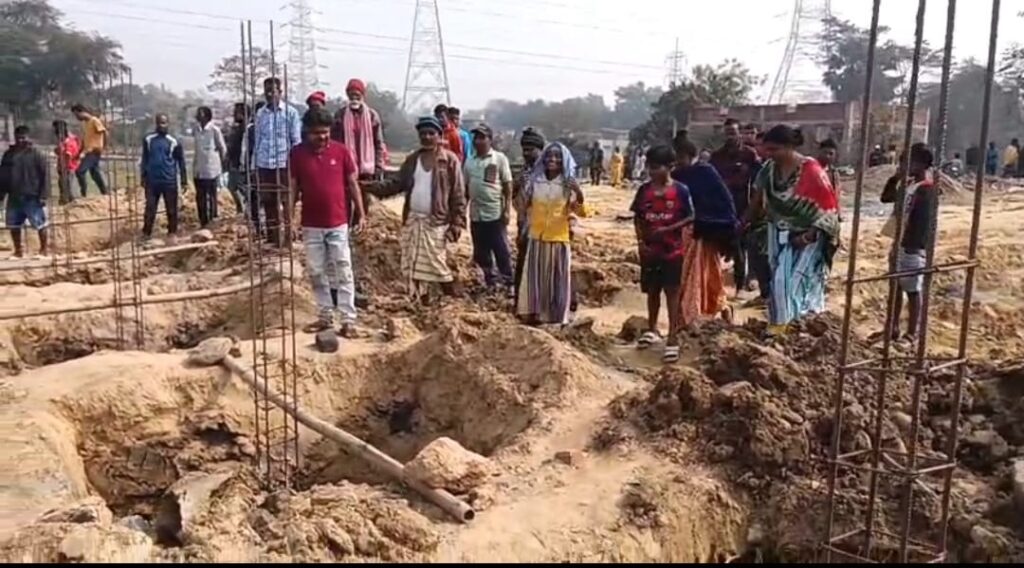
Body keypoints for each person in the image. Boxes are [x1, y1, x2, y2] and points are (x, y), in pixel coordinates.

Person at [750, 125, 839, 335]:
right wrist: (745, 224)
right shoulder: (769, 170)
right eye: (767, 149)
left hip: (809, 236)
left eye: (774, 149)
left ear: (789, 147)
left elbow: (829, 211)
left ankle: (795, 326)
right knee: (778, 281)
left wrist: (807, 236)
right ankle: (783, 325)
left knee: (793, 281)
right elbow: (757, 200)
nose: (769, 154)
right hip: (778, 233)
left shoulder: (812, 171)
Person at [291, 108, 365, 337]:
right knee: (316, 271)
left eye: (325, 132)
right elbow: (292, 188)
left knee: (343, 269)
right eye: (316, 133)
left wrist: (361, 213)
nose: (322, 137)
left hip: (338, 223)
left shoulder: (341, 151)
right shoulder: (297, 154)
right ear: (307, 132)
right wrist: (289, 219)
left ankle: (348, 320)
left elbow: (353, 184)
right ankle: (325, 316)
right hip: (311, 224)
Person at [388, 116, 466, 301]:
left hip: (436, 223)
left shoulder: (449, 160)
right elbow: (396, 184)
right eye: (423, 134)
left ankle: (453, 298)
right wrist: (368, 186)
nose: (427, 137)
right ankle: (421, 301)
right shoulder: (412, 160)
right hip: (413, 221)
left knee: (437, 264)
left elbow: (458, 194)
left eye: (431, 133)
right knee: (413, 264)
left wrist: (457, 223)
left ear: (439, 135)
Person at [631, 145, 692, 363]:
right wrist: (640, 242)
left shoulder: (680, 191)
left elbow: (690, 216)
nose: (652, 171)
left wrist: (668, 229)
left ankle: (672, 337)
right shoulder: (644, 191)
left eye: (657, 167)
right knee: (652, 291)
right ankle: (652, 328)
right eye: (650, 167)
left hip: (672, 251)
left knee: (672, 293)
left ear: (670, 167)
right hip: (650, 251)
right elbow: (637, 217)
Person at [671, 133, 738, 328]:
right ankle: (687, 318)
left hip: (705, 235)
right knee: (683, 279)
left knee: (708, 277)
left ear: (691, 156)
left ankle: (703, 314)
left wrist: (720, 227)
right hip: (683, 236)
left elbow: (724, 203)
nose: (678, 161)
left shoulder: (706, 173)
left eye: (681, 157)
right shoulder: (676, 176)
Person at [877, 143, 937, 345]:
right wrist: (896, 178)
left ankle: (912, 333)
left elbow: (923, 223)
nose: (903, 166)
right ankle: (892, 327)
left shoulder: (926, 189)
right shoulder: (910, 185)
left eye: (907, 162)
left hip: (912, 246)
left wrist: (912, 246)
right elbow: (886, 198)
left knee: (912, 289)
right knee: (896, 287)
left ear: (920, 164)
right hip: (900, 243)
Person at [518, 142, 583, 325]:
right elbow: (522, 206)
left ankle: (556, 317)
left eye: (557, 156)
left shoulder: (568, 184)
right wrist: (521, 188)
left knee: (556, 280)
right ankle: (534, 314)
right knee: (535, 279)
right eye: (549, 156)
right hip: (536, 237)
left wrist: (578, 192)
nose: (552, 159)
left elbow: (580, 211)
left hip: (558, 238)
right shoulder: (535, 182)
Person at [709, 118, 761, 296]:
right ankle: (716, 287)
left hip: (743, 207)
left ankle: (740, 285)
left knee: (741, 246)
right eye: (727, 132)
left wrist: (754, 207)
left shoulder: (749, 155)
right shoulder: (717, 156)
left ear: (739, 133)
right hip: (721, 208)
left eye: (733, 132)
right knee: (719, 247)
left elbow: (759, 181)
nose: (730, 136)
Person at [252, 77, 302, 247]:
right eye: (267, 91)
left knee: (287, 201)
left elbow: (296, 141)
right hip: (265, 164)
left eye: (273, 91)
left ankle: (288, 237)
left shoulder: (290, 113)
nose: (269, 94)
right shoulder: (260, 114)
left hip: (283, 163)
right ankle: (273, 238)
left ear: (280, 92)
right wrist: (254, 165)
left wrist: (295, 166)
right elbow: (258, 140)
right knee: (268, 201)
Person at [464, 123, 514, 290]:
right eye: (476, 138)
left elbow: (507, 185)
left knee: (501, 250)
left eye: (482, 137)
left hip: (495, 214)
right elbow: (465, 188)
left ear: (490, 140)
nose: (478, 141)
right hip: (476, 215)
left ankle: (507, 281)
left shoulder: (499, 159)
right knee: (481, 251)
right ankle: (489, 282)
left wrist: (507, 210)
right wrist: (462, 210)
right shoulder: (469, 162)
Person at [0, 126, 50, 258]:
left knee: (39, 223)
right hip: (13, 196)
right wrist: (1, 193)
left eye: (23, 137)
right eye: (18, 138)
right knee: (13, 225)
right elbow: (3, 175)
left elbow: (45, 175)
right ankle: (18, 251)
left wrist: (43, 195)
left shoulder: (36, 154)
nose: (20, 140)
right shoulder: (8, 155)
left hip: (32, 195)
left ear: (28, 137)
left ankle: (44, 250)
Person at [140, 114, 187, 241]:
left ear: (168, 124)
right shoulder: (148, 139)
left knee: (171, 209)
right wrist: (143, 176)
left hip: (169, 180)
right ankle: (146, 233)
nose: (162, 126)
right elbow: (145, 159)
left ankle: (172, 232)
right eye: (160, 123)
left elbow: (181, 161)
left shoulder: (174, 141)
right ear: (156, 124)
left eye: (164, 123)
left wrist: (184, 181)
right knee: (150, 208)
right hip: (152, 181)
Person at [513, 127, 546, 307]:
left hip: (546, 230)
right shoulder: (523, 173)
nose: (526, 153)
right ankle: (521, 303)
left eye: (530, 150)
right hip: (525, 227)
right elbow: (516, 199)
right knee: (523, 265)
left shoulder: (549, 173)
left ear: (540, 150)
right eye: (524, 150)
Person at [331, 78, 385, 179]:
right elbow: (335, 142)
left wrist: (379, 166)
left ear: (362, 95)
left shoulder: (372, 115)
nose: (354, 98)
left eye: (357, 95)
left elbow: (379, 143)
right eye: (351, 95)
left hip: (368, 171)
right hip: (346, 170)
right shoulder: (340, 115)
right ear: (347, 95)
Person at [193, 106, 227, 228]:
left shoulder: (214, 130)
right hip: (198, 169)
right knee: (200, 197)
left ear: (206, 116)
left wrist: (222, 166)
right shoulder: (196, 129)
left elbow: (222, 148)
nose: (197, 116)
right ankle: (203, 221)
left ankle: (212, 220)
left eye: (200, 114)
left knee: (211, 197)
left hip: (211, 169)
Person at [71, 103, 109, 197]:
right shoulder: (85, 124)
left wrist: (103, 147)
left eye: (77, 115)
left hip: (94, 151)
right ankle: (105, 193)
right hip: (88, 151)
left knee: (80, 171)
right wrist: (79, 152)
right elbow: (85, 140)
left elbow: (104, 133)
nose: (77, 118)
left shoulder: (94, 121)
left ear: (82, 112)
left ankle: (83, 194)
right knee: (95, 173)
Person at [225, 103, 249, 215]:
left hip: (242, 164)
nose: (234, 115)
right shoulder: (236, 129)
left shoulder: (247, 129)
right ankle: (240, 208)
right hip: (234, 162)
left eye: (236, 112)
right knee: (232, 186)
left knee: (241, 187)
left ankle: (246, 209)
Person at [52, 120, 81, 205]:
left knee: (69, 188)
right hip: (63, 168)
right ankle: (64, 201)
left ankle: (71, 203)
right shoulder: (63, 140)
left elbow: (68, 154)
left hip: (68, 168)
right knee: (63, 187)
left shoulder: (69, 141)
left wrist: (64, 167)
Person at [817, 138, 841, 204]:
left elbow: (836, 194)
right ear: (819, 151)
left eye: (831, 154)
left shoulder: (834, 173)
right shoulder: (811, 169)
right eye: (825, 152)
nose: (827, 156)